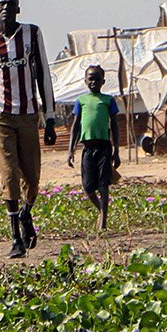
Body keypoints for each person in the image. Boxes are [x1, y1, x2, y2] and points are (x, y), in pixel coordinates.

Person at [0, 0, 57, 258]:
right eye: (2, 4)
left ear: (18, 10)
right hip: (0, 116)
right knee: (9, 175)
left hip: (29, 115)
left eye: (11, 4)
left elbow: (43, 72)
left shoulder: (32, 34)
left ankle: (25, 215)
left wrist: (51, 117)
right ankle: (15, 239)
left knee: (32, 178)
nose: (6, 8)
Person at [65, 64, 120, 231]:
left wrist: (116, 151)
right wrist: (70, 150)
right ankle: (102, 211)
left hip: (104, 146)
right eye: (91, 79)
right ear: (85, 81)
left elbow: (115, 126)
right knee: (88, 186)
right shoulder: (81, 101)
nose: (94, 82)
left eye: (97, 79)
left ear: (103, 81)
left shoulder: (108, 100)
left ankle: (103, 223)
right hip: (87, 148)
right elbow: (75, 126)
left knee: (103, 184)